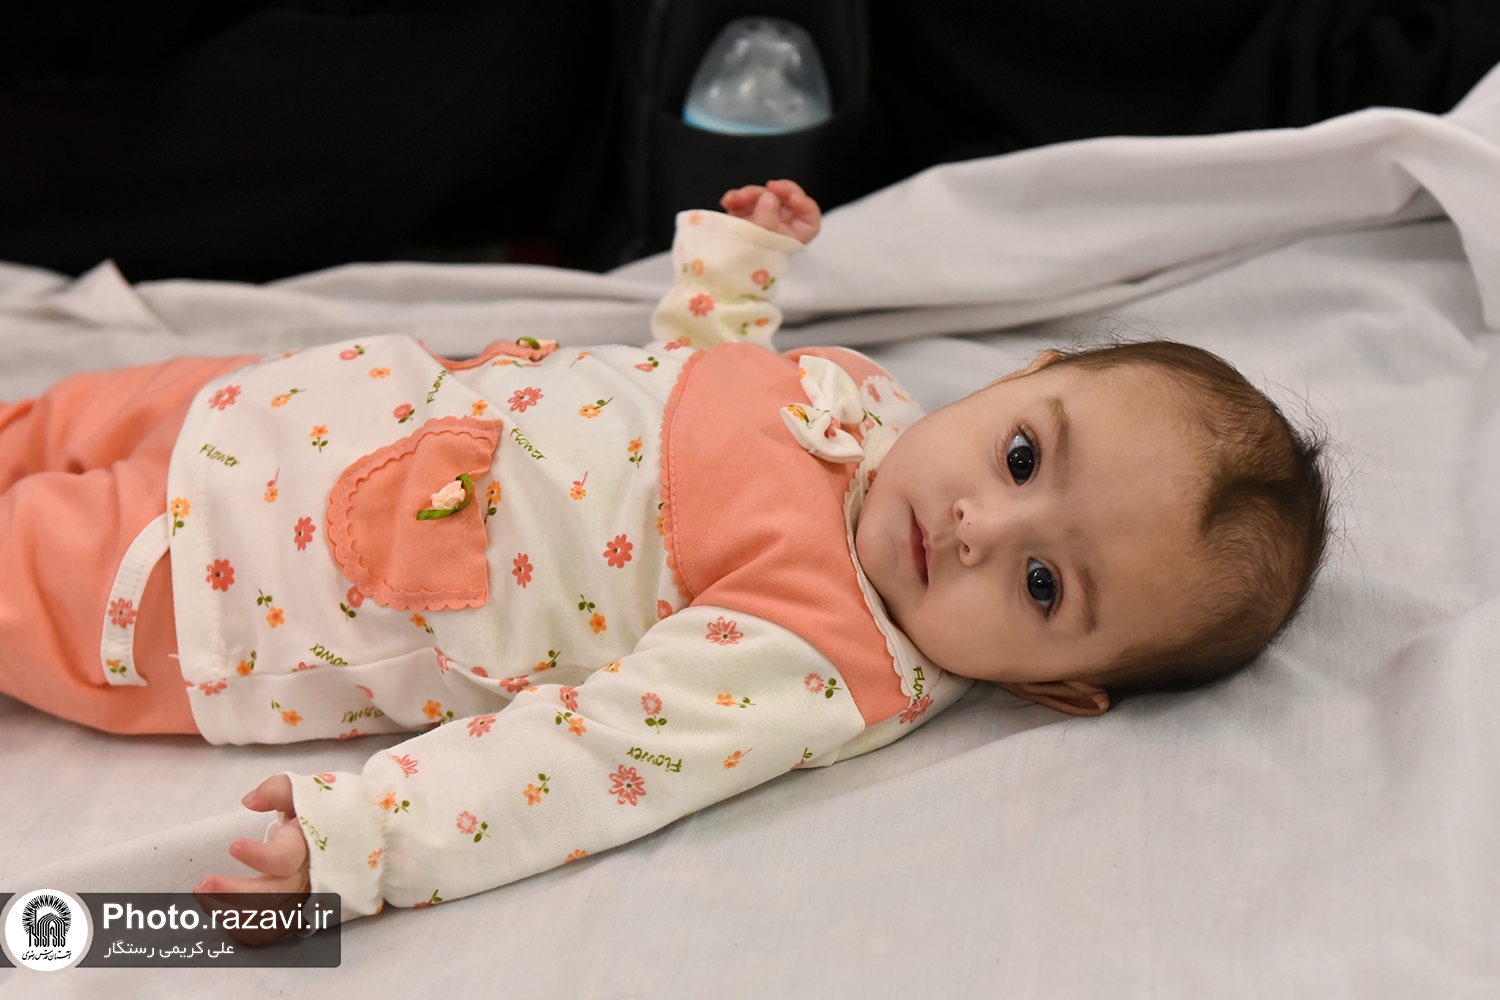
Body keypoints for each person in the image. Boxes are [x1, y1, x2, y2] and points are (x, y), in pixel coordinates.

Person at [0, 180, 1328, 923]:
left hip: (220, 587)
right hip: (278, 407)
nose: (985, 524)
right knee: (33, 422)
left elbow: (583, 764)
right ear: (1024, 377)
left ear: (1061, 687)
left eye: (1043, 586)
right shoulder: (871, 403)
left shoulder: (822, 655)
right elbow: (677, 401)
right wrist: (732, 286)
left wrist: (364, 844)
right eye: (1026, 457)